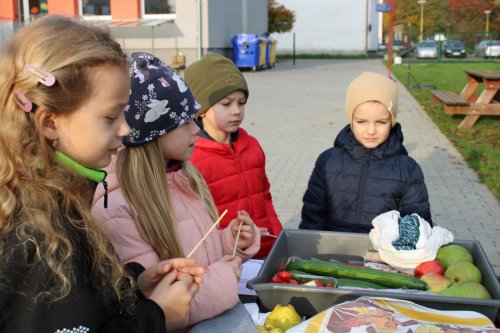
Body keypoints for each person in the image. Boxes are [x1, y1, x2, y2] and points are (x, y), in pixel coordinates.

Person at [0, 15, 204, 333]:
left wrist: (133, 288)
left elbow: (81, 307)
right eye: (110, 117)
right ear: (49, 122)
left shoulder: (60, 198)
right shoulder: (35, 235)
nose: (125, 129)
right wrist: (156, 314)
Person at [92, 52, 260, 331]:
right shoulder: (118, 208)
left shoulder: (183, 178)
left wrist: (230, 241)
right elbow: (166, 306)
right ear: (152, 133)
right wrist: (225, 277)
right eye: (184, 123)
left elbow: (197, 251)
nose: (196, 129)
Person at [300, 71, 432, 233]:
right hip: (332, 252)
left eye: (381, 122)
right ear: (351, 119)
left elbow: (416, 225)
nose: (371, 131)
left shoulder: (407, 169)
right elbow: (313, 215)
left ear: (392, 121)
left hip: (383, 255)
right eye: (361, 122)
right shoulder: (328, 161)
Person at [184, 53, 282, 258]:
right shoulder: (192, 159)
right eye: (226, 104)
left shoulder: (252, 146)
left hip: (265, 250)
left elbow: (265, 197)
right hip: (225, 257)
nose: (236, 111)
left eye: (242, 102)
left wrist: (277, 235)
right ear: (202, 110)